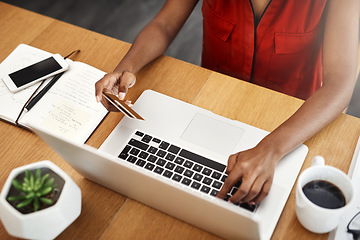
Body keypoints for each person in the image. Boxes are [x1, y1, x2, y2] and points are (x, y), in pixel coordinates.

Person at [95, 0, 360, 205]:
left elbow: (340, 84)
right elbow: (164, 24)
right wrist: (125, 67)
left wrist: (271, 149)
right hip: (213, 108)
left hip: (291, 124)